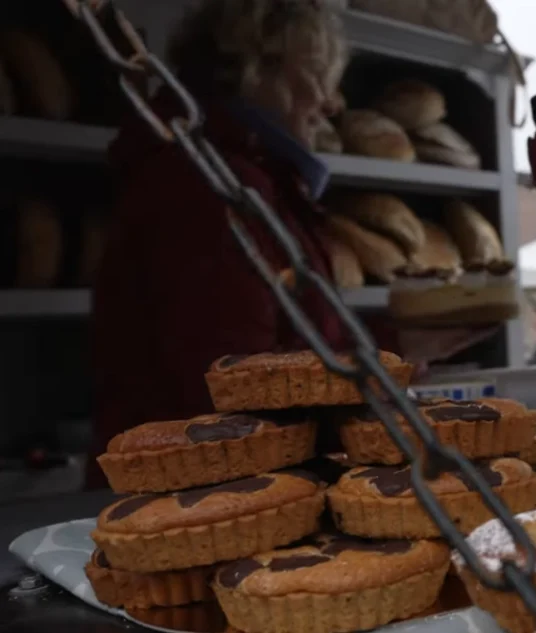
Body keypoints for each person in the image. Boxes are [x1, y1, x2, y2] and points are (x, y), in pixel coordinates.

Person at [88, 0, 372, 488]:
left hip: (228, 486)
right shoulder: (208, 189)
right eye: (318, 74)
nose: (331, 102)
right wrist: (387, 357)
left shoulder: (249, 181)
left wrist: (398, 344)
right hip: (196, 495)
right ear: (257, 69)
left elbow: (293, 340)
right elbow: (234, 389)